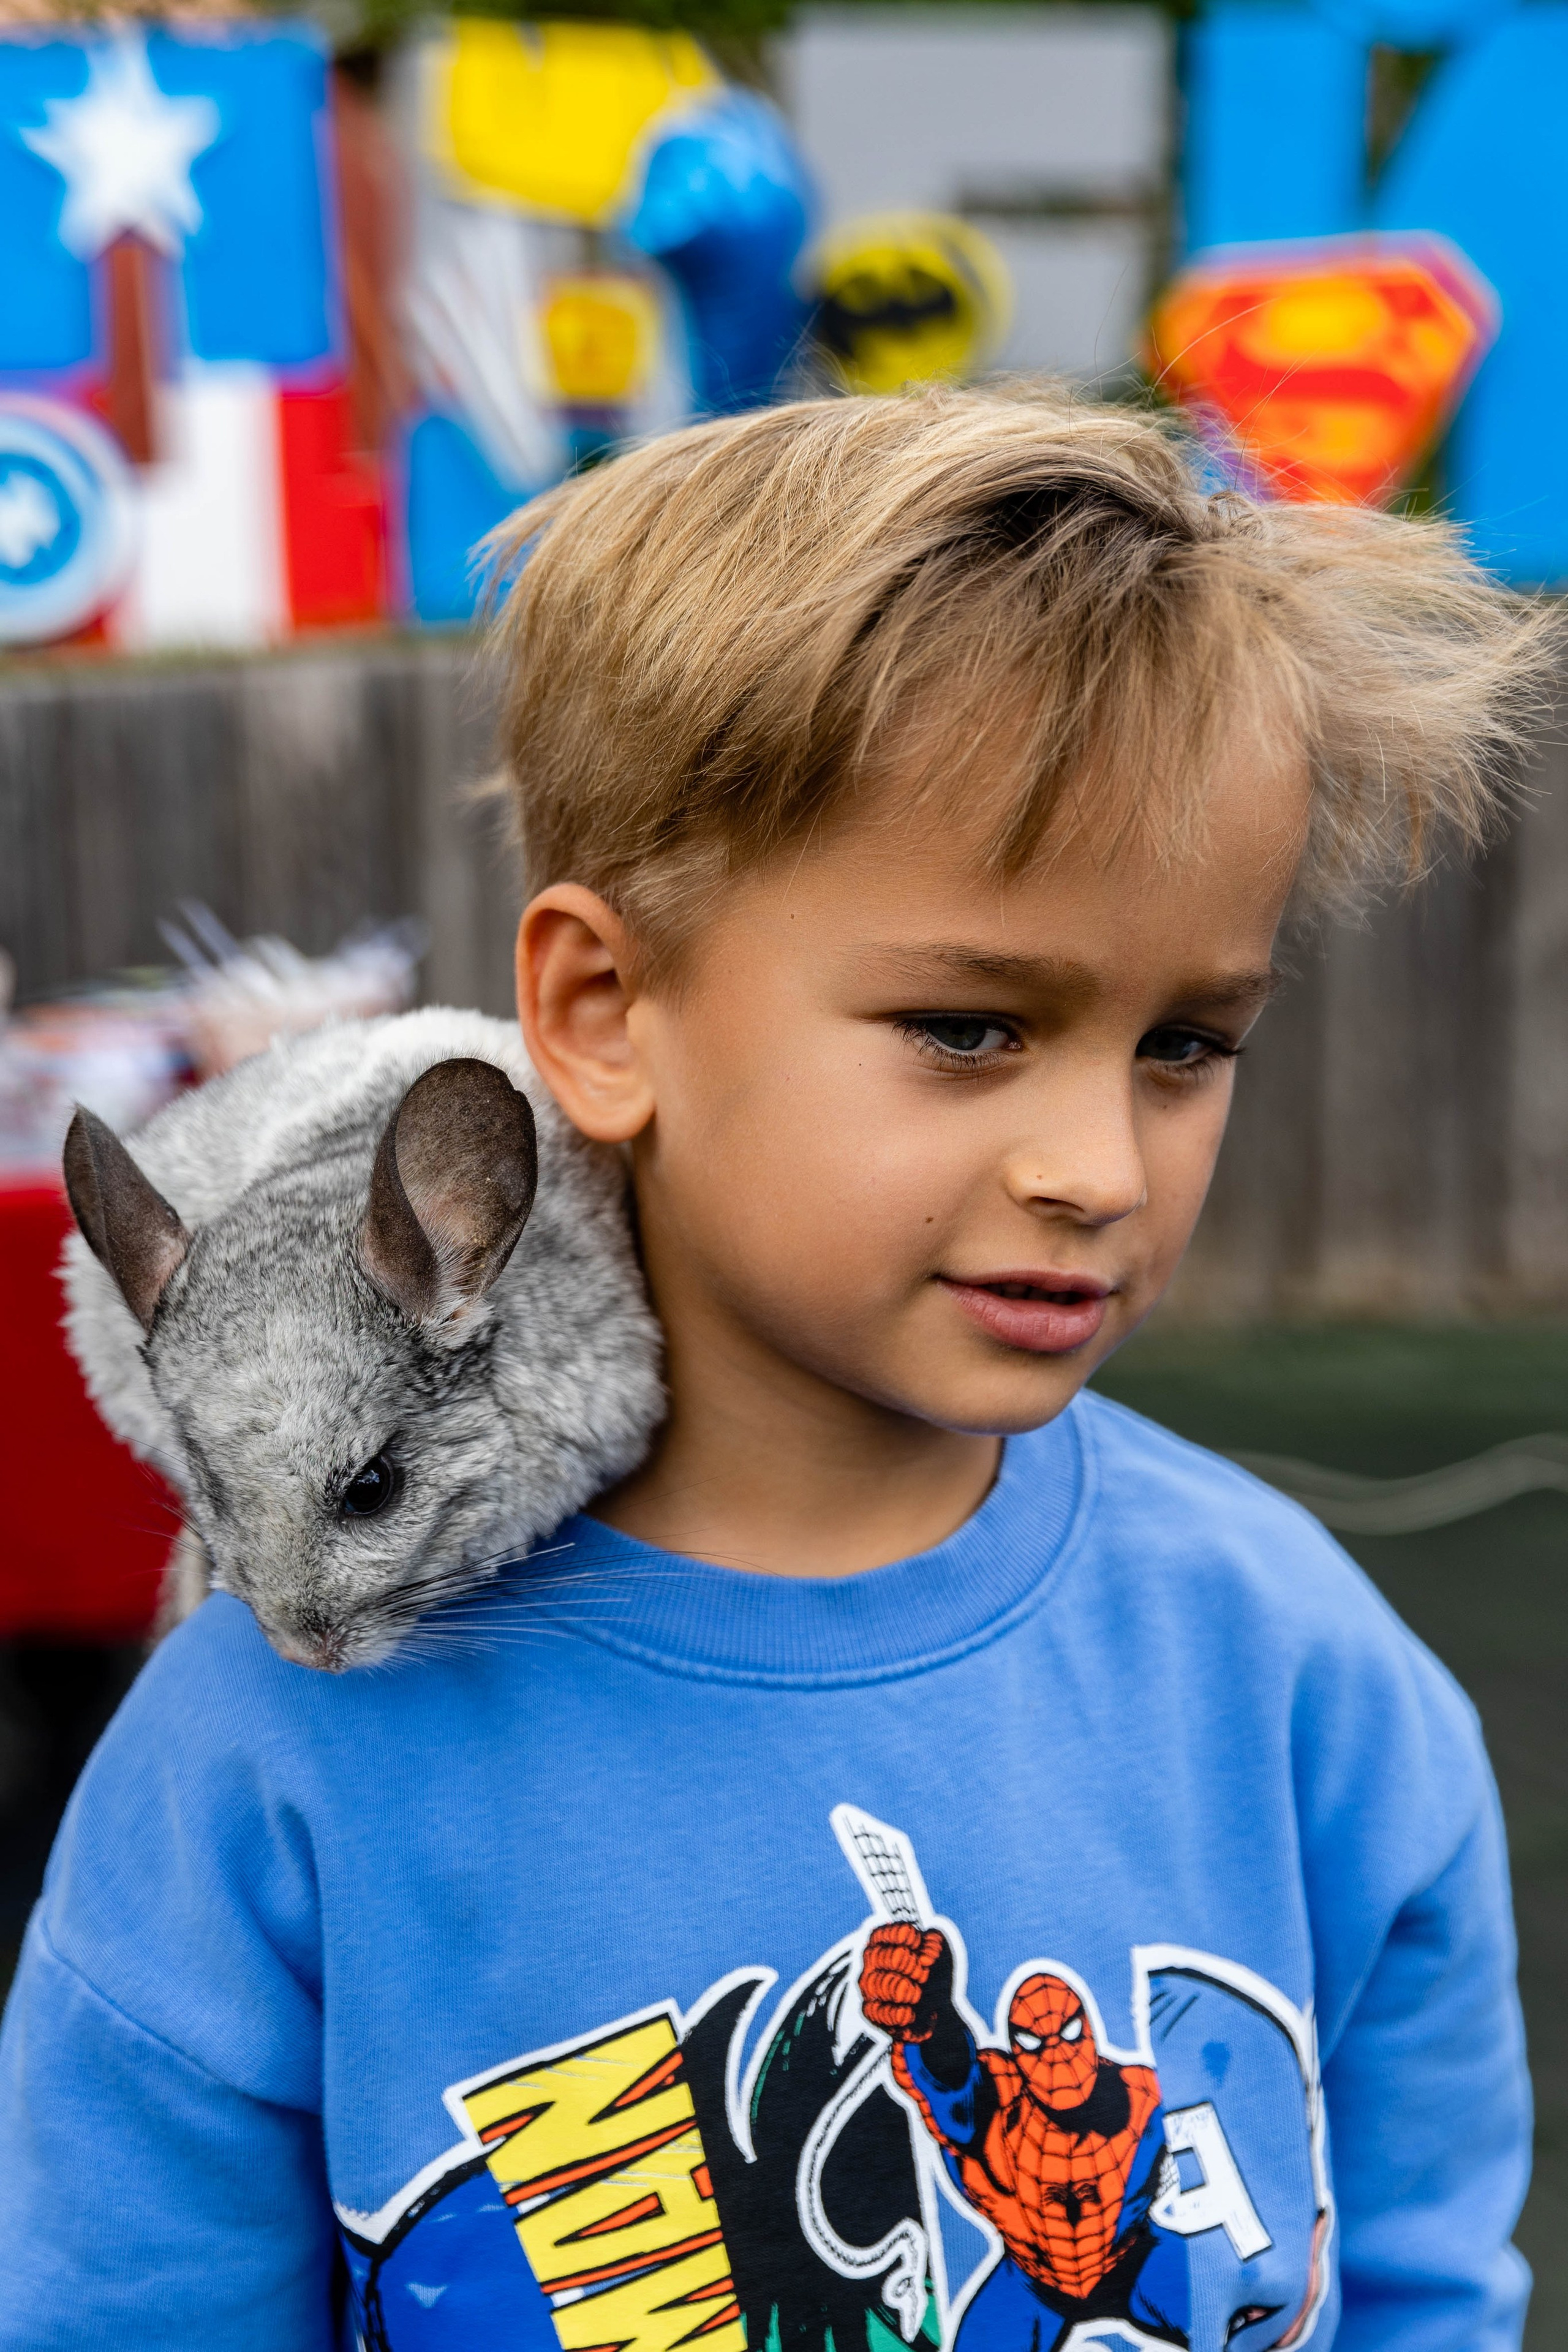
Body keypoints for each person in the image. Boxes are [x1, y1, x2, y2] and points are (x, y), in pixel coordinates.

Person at [0, 388, 1551, 2352]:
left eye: (1185, 1043)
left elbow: (1419, 2288)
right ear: (601, 1008)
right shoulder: (264, 1757)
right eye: (970, 1029)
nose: (1096, 1165)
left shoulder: (1297, 1673)